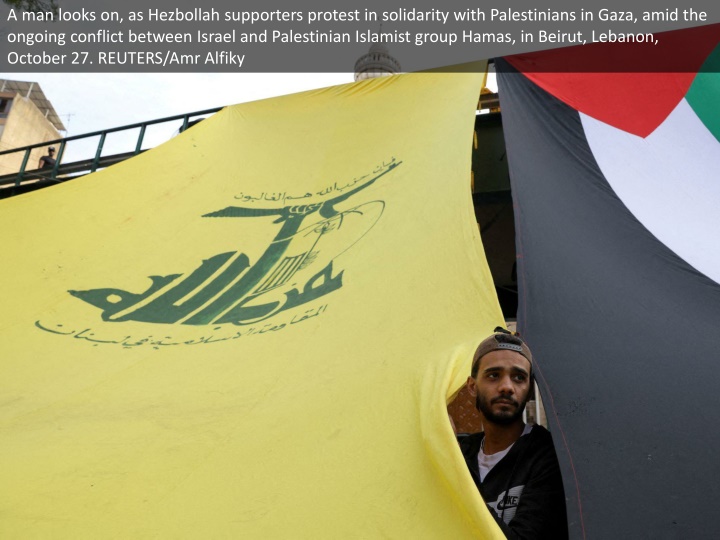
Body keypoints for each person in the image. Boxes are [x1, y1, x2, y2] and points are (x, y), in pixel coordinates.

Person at [459, 329, 568, 539]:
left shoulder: (548, 456)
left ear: (529, 391)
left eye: (518, 377)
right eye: (493, 375)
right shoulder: (460, 453)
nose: (507, 387)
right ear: (472, 386)